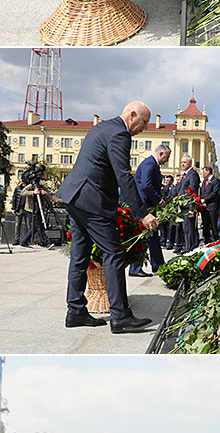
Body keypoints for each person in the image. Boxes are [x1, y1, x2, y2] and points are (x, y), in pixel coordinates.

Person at [57, 101, 159, 335]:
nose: (144, 128)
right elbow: (123, 175)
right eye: (144, 122)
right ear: (132, 115)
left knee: (80, 256)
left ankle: (75, 311)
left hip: (75, 196)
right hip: (92, 201)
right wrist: (142, 213)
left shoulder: (101, 127)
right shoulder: (120, 134)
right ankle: (121, 316)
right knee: (113, 253)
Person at [128, 141, 172, 277]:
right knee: (144, 236)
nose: (167, 161)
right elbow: (147, 186)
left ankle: (158, 265)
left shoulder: (152, 164)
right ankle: (136, 268)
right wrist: (159, 200)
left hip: (148, 205)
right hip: (144, 206)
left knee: (152, 235)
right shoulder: (149, 164)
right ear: (160, 154)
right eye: (167, 157)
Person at [174, 154, 200, 251]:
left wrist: (191, 208)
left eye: (184, 162)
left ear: (190, 163)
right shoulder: (185, 175)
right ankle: (186, 248)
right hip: (182, 207)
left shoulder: (193, 174)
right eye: (181, 162)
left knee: (189, 230)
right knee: (184, 230)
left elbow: (192, 192)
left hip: (187, 207)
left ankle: (189, 250)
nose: (182, 164)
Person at [199, 165, 220, 242]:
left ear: (208, 171)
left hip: (212, 207)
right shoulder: (204, 181)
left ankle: (216, 241)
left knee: (213, 225)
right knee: (205, 225)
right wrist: (201, 200)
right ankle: (207, 240)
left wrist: (205, 200)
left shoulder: (215, 180)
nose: (203, 174)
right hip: (204, 207)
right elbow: (202, 192)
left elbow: (214, 193)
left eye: (204, 172)